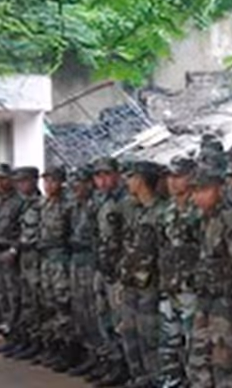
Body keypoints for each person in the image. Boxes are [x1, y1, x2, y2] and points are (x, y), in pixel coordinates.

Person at [188, 161, 232, 388]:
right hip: (206, 298)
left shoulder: (230, 218)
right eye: (195, 191)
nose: (197, 197)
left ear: (219, 189)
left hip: (226, 303)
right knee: (197, 359)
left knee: (224, 362)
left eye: (203, 190)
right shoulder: (204, 218)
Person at [122, 160, 166, 388]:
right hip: (131, 281)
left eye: (131, 177)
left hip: (151, 284)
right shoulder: (134, 210)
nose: (127, 182)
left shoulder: (161, 211)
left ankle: (155, 379)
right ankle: (139, 377)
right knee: (130, 332)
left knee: (150, 335)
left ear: (141, 180)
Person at [159, 156, 201, 388]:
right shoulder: (169, 209)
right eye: (170, 177)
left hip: (192, 290)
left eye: (178, 176)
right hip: (171, 287)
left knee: (194, 345)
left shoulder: (199, 209)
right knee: (169, 343)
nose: (173, 182)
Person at [94, 156, 132, 387]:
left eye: (107, 174)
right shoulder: (101, 201)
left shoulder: (126, 202)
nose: (102, 180)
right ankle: (113, 362)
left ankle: (126, 367)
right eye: (98, 176)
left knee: (122, 322)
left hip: (120, 272)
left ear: (117, 175)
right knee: (104, 318)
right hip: (103, 267)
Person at [39, 165, 78, 371]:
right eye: (45, 181)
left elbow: (72, 235)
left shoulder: (68, 204)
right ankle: (54, 345)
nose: (48, 185)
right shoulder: (45, 203)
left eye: (52, 180)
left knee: (64, 305)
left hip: (61, 260)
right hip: (47, 260)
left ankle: (69, 349)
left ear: (61, 182)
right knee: (49, 303)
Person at [67, 165, 102, 378]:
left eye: (79, 182)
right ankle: (90, 355)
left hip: (91, 262)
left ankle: (102, 356)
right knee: (80, 310)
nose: (75, 187)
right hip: (77, 261)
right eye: (73, 183)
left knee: (94, 312)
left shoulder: (97, 205)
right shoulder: (76, 205)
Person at [8, 166, 44, 362]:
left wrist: (16, 248)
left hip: (36, 259)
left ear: (34, 180)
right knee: (25, 302)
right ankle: (28, 340)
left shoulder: (40, 204)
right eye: (18, 181)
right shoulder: (23, 204)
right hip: (25, 260)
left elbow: (34, 236)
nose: (21, 185)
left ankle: (40, 344)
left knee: (37, 302)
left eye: (24, 181)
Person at [0, 163, 26, 355]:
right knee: (2, 297)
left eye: (3, 178)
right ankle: (10, 336)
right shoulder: (0, 201)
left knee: (15, 298)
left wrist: (14, 250)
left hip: (12, 255)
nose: (0, 182)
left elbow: (24, 230)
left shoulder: (19, 201)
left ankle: (20, 337)